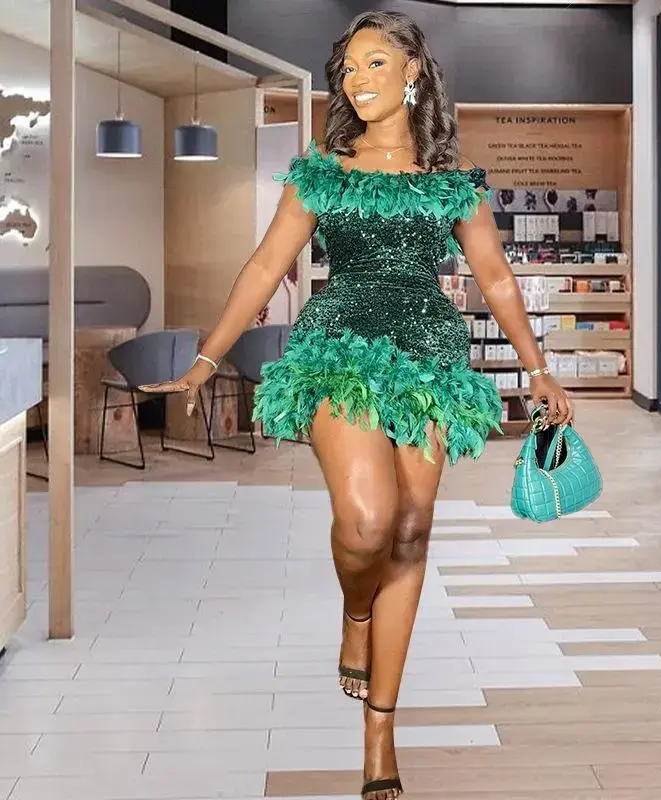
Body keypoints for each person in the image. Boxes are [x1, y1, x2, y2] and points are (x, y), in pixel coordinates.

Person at [140, 10, 573, 799]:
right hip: (338, 347)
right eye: (348, 67)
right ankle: (357, 610)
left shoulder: (450, 177)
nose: (356, 79)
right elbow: (265, 266)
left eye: (375, 62)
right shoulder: (325, 169)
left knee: (411, 527)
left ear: (413, 72)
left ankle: (380, 731)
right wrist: (206, 358)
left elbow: (496, 277)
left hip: (429, 354)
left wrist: (538, 368)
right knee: (369, 521)